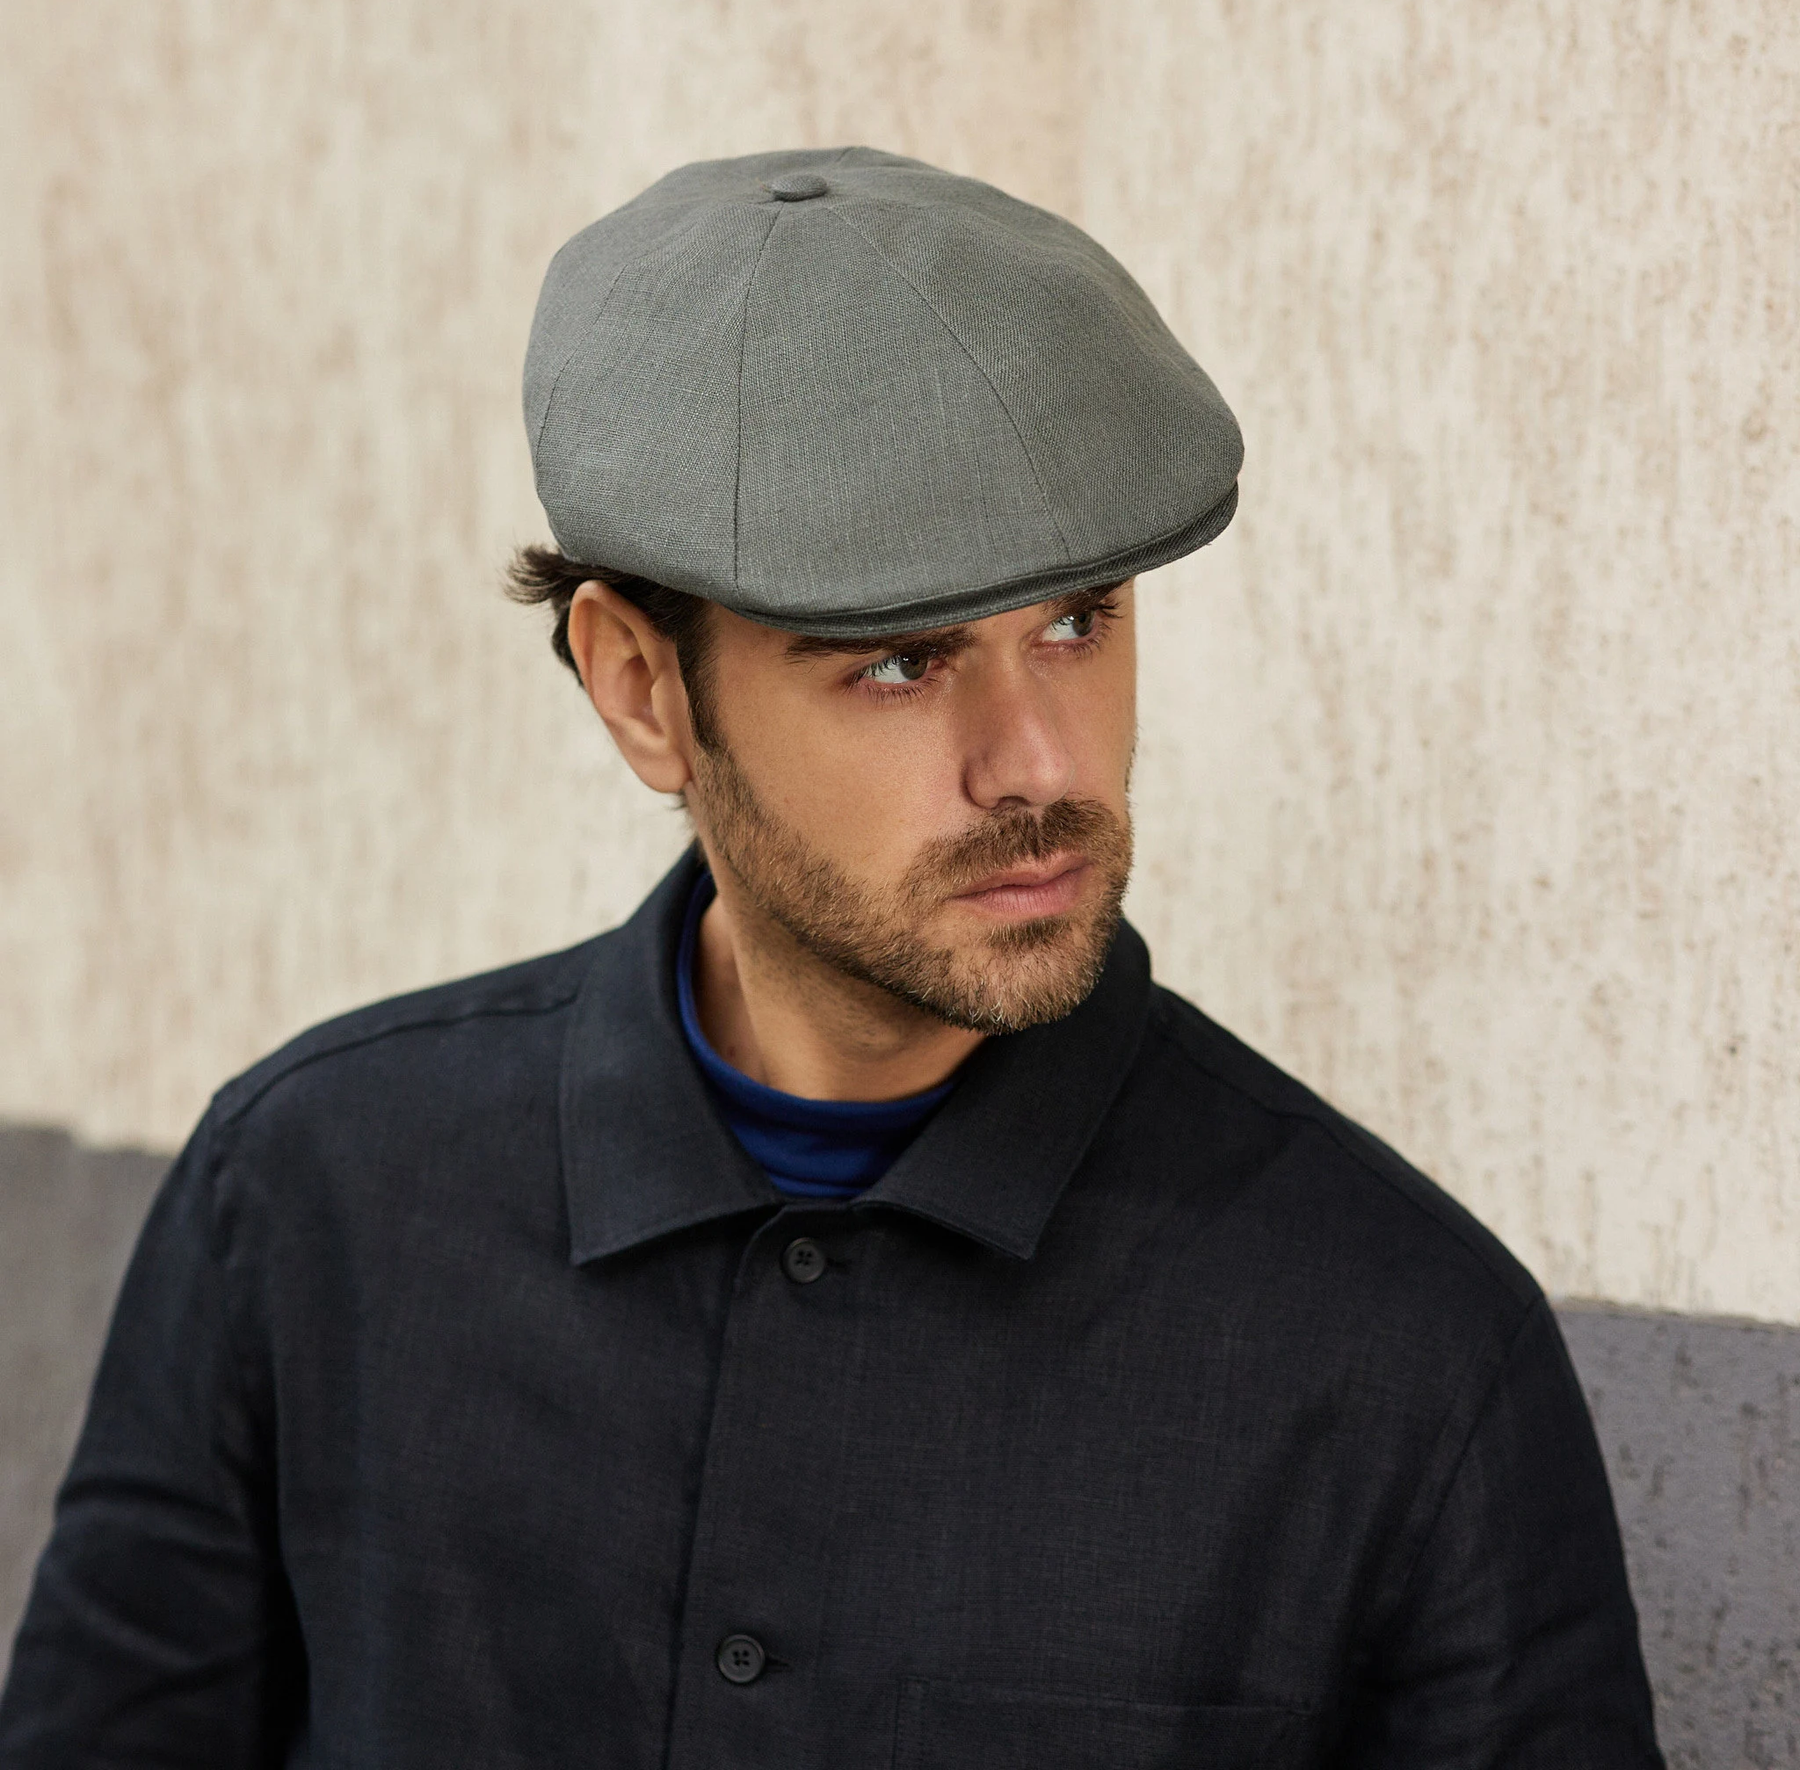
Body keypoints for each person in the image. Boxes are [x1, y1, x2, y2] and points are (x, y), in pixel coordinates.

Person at [0, 148, 1662, 1768]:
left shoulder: (1401, 1345)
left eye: (1077, 622)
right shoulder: (310, 1200)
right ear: (642, 690)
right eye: (901, 662)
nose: (1037, 765)